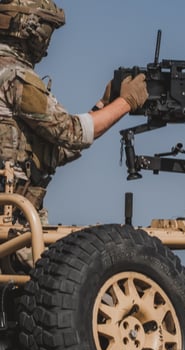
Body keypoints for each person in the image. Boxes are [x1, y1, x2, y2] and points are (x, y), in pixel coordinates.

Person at [0, 0, 147, 214]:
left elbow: (54, 149)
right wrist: (126, 102)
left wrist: (103, 105)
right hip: (11, 219)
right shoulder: (17, 78)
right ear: (29, 29)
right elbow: (72, 134)